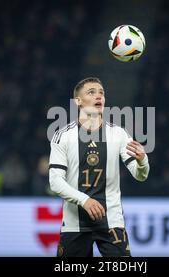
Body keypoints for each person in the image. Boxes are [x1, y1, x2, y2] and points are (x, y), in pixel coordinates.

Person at [48, 77, 150, 257]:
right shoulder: (62, 136)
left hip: (111, 222)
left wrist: (143, 161)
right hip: (74, 223)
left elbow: (141, 175)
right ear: (77, 101)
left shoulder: (118, 133)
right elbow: (55, 181)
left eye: (101, 93)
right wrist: (84, 200)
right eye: (91, 92)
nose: (98, 96)